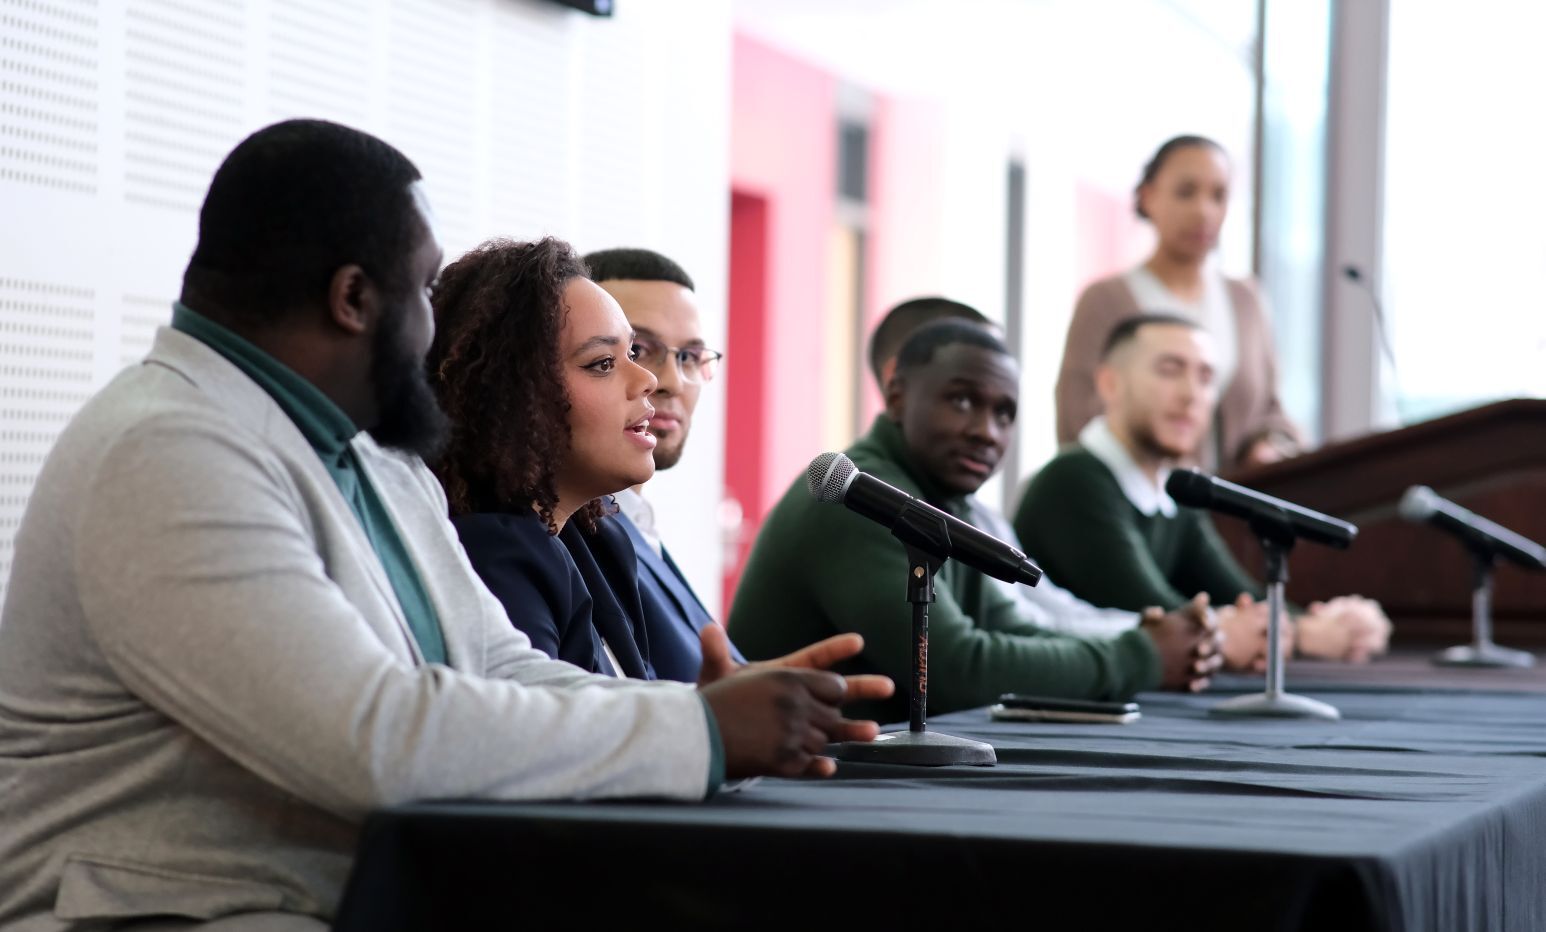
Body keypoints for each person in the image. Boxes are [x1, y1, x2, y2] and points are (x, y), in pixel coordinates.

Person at [0, 120, 879, 930]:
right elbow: (371, 737)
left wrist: (698, 712)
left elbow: (496, 664)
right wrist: (700, 736)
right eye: (424, 287)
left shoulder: (366, 452)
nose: (433, 326)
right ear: (353, 298)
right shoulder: (168, 451)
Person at [430, 240, 890, 700]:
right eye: (604, 363)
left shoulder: (591, 537)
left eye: (685, 356)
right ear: (512, 393)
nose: (653, 380)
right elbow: (551, 744)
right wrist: (704, 722)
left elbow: (633, 697)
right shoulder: (496, 553)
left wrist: (715, 705)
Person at [729, 320, 1223, 724]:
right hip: (794, 790)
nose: (986, 433)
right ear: (897, 395)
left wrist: (1141, 644)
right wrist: (1139, 657)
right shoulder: (864, 497)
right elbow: (954, 670)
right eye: (962, 401)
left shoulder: (943, 497)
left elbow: (1008, 626)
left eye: (1004, 414)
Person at [1018, 314, 1390, 662]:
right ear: (1110, 384)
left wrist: (1320, 624)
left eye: (1206, 377)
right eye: (1169, 370)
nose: (1191, 394)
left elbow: (1237, 592)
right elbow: (1156, 613)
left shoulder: (1174, 489)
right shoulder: (1073, 480)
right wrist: (1302, 635)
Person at [1055, 135, 1301, 472]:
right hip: (1143, 508)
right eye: (1186, 193)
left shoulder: (1247, 301)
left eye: (1219, 195)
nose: (1203, 211)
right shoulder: (1105, 301)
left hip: (1236, 508)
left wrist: (1269, 446)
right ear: (1148, 196)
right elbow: (1077, 420)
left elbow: (1272, 411)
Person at [583, 247, 739, 682]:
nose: (669, 381)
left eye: (689, 356)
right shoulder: (574, 529)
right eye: (637, 349)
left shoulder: (636, 519)